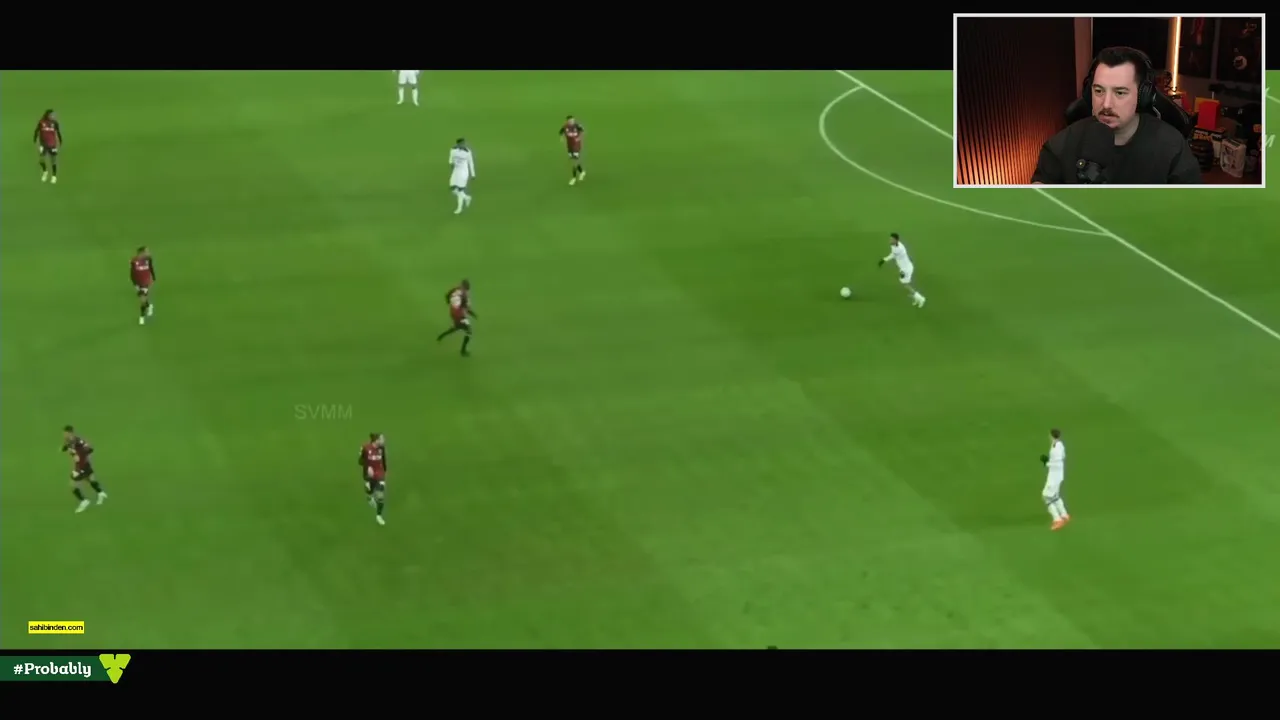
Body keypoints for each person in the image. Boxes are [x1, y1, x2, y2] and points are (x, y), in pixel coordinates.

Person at [1031, 47, 1201, 184]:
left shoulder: (1171, 146)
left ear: (1142, 96)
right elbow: (1039, 196)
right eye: (1099, 91)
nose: (1106, 104)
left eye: (1120, 93)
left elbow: (1193, 207)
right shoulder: (1063, 143)